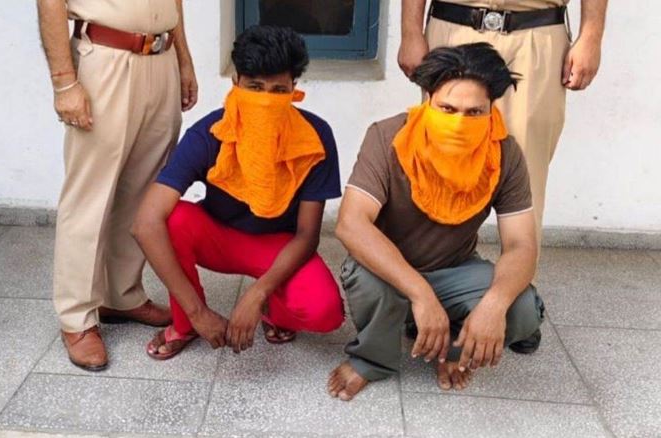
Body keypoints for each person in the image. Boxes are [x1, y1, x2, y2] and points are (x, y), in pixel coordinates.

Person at [328, 44, 545, 401]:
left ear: (492, 109)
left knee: (521, 309)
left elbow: (521, 243)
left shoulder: (504, 152)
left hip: (455, 268)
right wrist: (421, 293)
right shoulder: (388, 136)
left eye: (474, 112)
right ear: (428, 99)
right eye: (447, 109)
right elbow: (351, 224)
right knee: (368, 282)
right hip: (386, 269)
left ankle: (457, 347)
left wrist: (493, 305)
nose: (459, 123)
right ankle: (372, 361)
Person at [131, 25, 345, 359]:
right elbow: (145, 224)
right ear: (236, 82)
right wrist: (199, 314)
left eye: (278, 90)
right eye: (255, 87)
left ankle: (273, 312)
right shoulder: (210, 132)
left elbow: (307, 235)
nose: (265, 100)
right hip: (218, 236)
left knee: (325, 311)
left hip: (279, 244)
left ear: (294, 88)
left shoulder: (313, 137)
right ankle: (185, 324)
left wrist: (257, 293)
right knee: (172, 219)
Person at [37, 0, 199, 371]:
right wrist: (64, 82)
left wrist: (184, 60)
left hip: (161, 58)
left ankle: (121, 295)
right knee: (90, 195)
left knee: (143, 188)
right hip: (106, 57)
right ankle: (76, 317)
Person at [398, 0, 607, 248]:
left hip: (536, 33)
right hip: (453, 27)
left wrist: (591, 36)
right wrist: (410, 31)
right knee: (441, 169)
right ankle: (434, 267)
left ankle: (519, 271)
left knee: (526, 173)